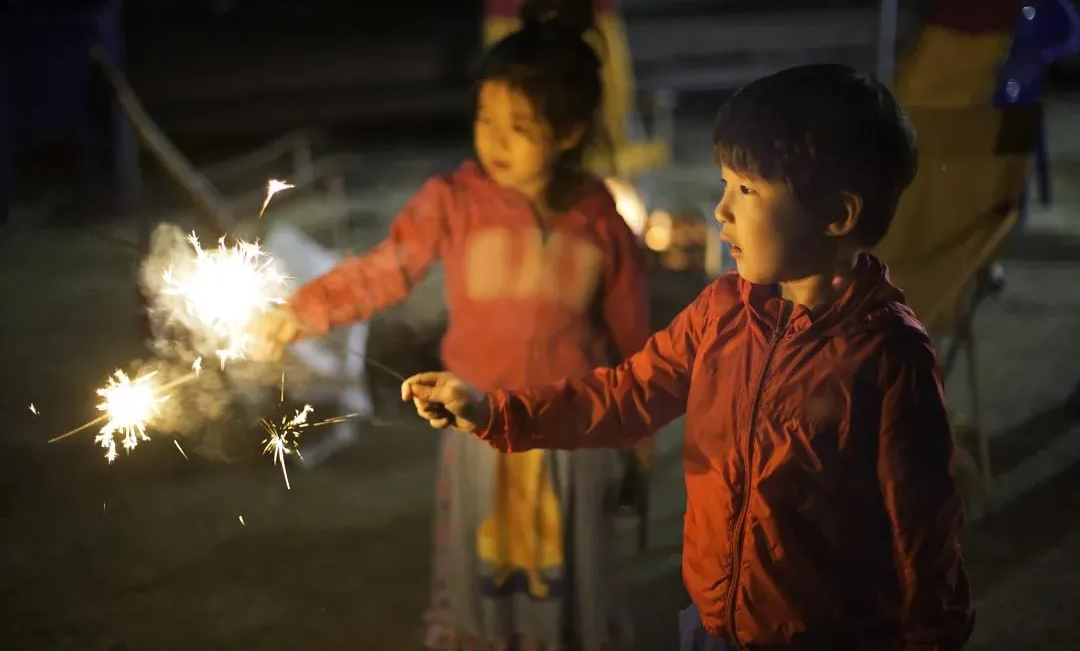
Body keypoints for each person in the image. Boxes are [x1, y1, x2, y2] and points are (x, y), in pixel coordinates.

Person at [401, 65, 976, 651]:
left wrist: (934, 636)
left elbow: (924, 526)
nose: (721, 209)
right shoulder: (721, 314)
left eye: (747, 190)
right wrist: (492, 411)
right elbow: (622, 396)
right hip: (710, 624)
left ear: (838, 215)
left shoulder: (887, 356)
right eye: (725, 183)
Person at [252, 0, 652, 651]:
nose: (495, 140)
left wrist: (637, 442)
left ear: (570, 131)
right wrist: (305, 309)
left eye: (520, 128)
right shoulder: (453, 200)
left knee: (570, 576)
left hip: (571, 433)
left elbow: (634, 334)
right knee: (484, 574)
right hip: (478, 424)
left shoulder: (599, 219)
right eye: (485, 119)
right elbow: (387, 268)